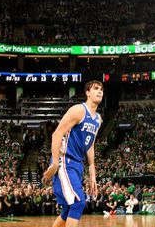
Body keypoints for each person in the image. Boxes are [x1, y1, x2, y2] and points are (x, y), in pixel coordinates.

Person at [42, 80, 103, 227]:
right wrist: (55, 163)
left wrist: (92, 175)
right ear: (87, 93)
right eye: (95, 89)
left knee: (69, 209)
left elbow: (90, 146)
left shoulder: (98, 120)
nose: (100, 91)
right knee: (78, 203)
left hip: (77, 165)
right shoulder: (78, 110)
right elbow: (56, 135)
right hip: (65, 161)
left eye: (101, 89)